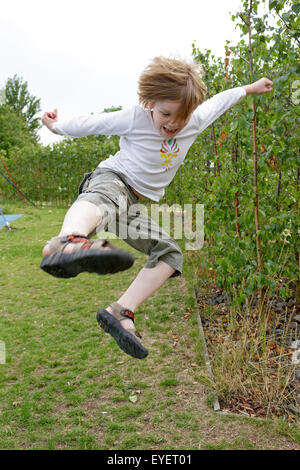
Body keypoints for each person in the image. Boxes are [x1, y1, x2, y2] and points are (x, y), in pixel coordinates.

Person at [41, 56, 273, 359]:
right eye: (165, 113)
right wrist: (56, 126)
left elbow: (221, 100)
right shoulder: (135, 118)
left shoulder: (196, 120)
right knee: (107, 199)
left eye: (183, 117)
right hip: (112, 179)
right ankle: (69, 240)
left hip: (132, 203)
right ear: (150, 102)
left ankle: (120, 312)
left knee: (170, 253)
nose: (174, 124)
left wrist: (250, 88)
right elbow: (93, 124)